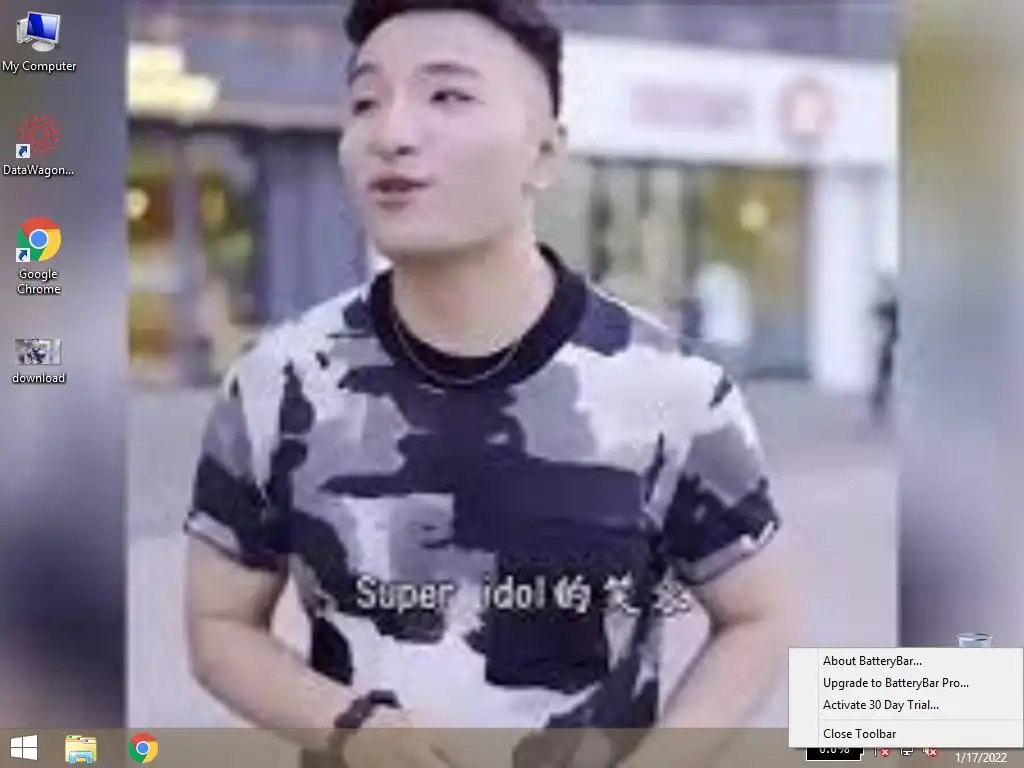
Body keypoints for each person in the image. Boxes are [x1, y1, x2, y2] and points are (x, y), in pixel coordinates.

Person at [183, 2, 798, 767]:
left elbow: (757, 616)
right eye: (365, 101)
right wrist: (349, 726)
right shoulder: (278, 383)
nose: (391, 132)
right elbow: (219, 626)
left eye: (447, 95)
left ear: (545, 153)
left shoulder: (674, 392)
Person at [870, 274, 898, 423]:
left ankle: (879, 409)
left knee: (883, 378)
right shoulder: (898, 306)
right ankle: (879, 409)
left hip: (892, 346)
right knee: (883, 377)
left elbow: (878, 311)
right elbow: (878, 311)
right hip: (893, 346)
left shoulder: (896, 306)